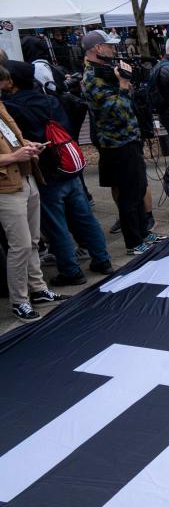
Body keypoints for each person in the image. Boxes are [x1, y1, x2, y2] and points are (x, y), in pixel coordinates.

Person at [2, 60, 113, 286]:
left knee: (56, 225)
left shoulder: (11, 107)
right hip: (68, 166)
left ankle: (71, 271)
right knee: (84, 217)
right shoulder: (50, 100)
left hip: (46, 172)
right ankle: (102, 260)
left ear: (11, 81)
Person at [81, 29, 165, 256]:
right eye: (109, 45)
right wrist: (123, 85)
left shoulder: (106, 70)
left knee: (138, 188)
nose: (113, 49)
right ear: (98, 48)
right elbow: (116, 110)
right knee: (128, 193)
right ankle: (133, 242)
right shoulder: (91, 78)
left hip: (129, 138)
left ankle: (143, 232)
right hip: (116, 144)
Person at [0, 66, 70, 322]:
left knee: (32, 241)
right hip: (7, 187)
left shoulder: (2, 107)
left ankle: (38, 288)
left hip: (27, 177)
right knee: (19, 245)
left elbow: (13, 137)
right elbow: (9, 150)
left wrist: (27, 145)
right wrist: (13, 156)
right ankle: (19, 300)